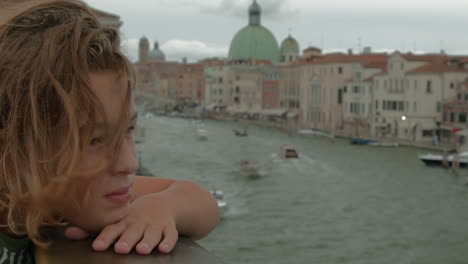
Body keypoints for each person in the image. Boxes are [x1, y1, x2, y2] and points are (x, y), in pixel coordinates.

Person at [0, 0, 220, 262]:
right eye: (93, 140)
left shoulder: (50, 191)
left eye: (127, 131)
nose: (130, 163)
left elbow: (202, 201)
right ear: (12, 151)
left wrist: (162, 207)